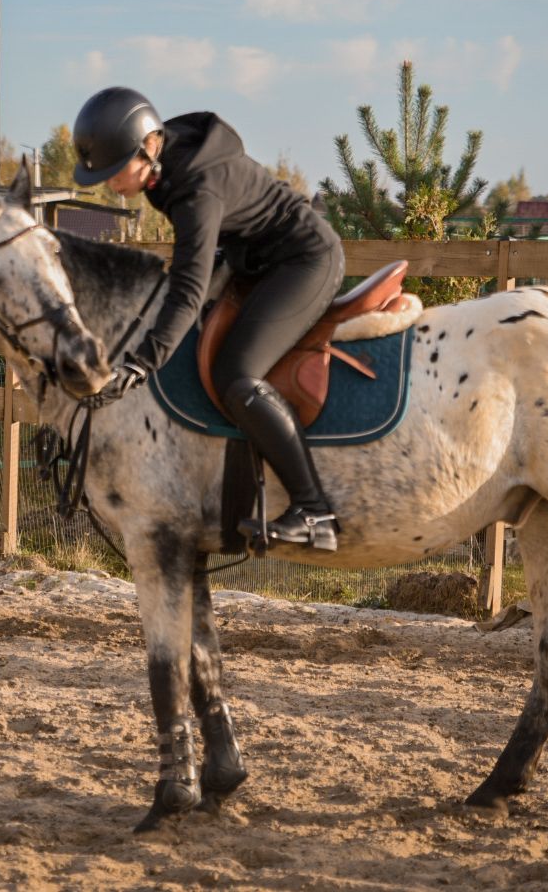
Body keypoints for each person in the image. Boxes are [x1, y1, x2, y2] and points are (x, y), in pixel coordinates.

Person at [73, 86, 346, 551]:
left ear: (150, 147)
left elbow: (188, 288)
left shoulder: (196, 188)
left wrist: (143, 362)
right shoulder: (168, 164)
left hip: (305, 262)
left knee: (236, 376)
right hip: (258, 262)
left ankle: (314, 510)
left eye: (118, 170)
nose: (111, 183)